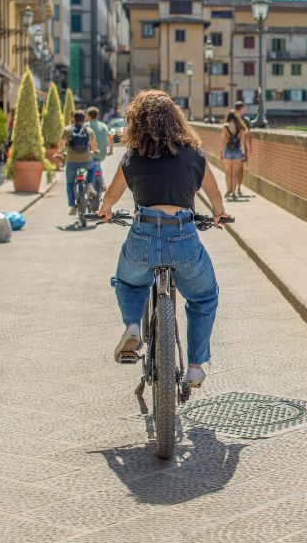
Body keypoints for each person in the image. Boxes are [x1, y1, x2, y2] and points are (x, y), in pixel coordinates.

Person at [97, 90, 228, 388]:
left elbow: (112, 196)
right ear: (176, 119)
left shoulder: (133, 156)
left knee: (129, 281)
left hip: (143, 234)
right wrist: (219, 214)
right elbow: (215, 195)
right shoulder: (194, 154)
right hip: (183, 237)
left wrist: (105, 212)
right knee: (204, 296)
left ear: (137, 122)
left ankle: (132, 325)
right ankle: (195, 366)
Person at [56, 110, 99, 216]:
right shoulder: (88, 130)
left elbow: (61, 144)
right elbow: (93, 145)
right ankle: (89, 184)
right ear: (84, 119)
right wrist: (95, 151)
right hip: (86, 160)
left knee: (70, 184)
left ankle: (72, 207)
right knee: (93, 167)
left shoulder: (67, 130)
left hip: (71, 161)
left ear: (73, 119)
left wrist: (60, 153)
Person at [220, 109, 247, 200]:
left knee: (228, 173)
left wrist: (221, 152)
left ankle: (228, 191)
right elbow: (242, 142)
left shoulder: (225, 127)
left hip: (227, 151)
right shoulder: (240, 127)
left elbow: (223, 141)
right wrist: (243, 153)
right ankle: (234, 192)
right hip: (237, 152)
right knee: (235, 174)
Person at [85, 106, 113, 192]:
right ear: (97, 115)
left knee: (90, 166)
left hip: (88, 154)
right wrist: (110, 151)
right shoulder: (104, 125)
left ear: (88, 116)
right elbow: (110, 139)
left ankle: (90, 184)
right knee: (97, 164)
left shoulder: (86, 125)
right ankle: (102, 181)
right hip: (102, 153)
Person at [233, 101, 252, 198]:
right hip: (241, 149)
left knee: (236, 170)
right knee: (240, 170)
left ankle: (234, 189)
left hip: (232, 149)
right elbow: (248, 136)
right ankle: (237, 188)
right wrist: (249, 149)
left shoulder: (230, 119)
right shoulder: (245, 120)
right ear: (241, 109)